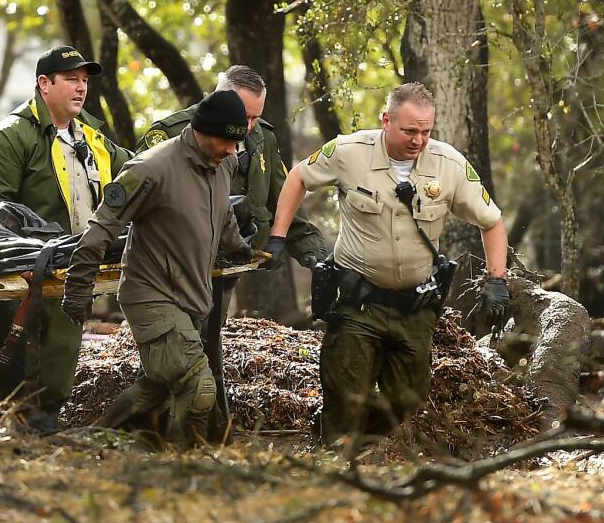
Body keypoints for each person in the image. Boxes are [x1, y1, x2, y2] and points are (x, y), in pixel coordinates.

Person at [268, 82, 511, 448]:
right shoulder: (350, 151)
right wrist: (278, 236)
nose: (418, 140)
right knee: (345, 397)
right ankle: (333, 463)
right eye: (409, 130)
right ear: (386, 120)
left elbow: (491, 221)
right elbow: (298, 177)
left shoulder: (449, 165)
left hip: (414, 308)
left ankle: (363, 449)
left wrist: (497, 280)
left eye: (426, 131)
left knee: (406, 401)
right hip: (357, 302)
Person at [62, 90, 254, 448]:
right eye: (227, 141)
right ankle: (183, 470)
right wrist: (78, 289)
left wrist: (241, 249)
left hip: (192, 295)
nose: (233, 150)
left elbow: (223, 213)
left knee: (157, 385)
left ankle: (100, 440)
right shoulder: (151, 168)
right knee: (199, 386)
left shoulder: (224, 161)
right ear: (202, 131)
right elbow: (99, 230)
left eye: (237, 142)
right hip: (151, 294)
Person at [0, 45, 132, 433]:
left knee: (58, 370)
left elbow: (138, 175)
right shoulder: (8, 138)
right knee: (14, 376)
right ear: (44, 84)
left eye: (84, 81)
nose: (80, 89)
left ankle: (43, 442)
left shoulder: (93, 137)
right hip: (20, 279)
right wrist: (21, 269)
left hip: (72, 274)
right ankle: (7, 445)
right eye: (70, 80)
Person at [138, 65, 329, 269]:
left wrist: (315, 256)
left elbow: (284, 200)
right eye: (244, 115)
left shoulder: (263, 137)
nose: (248, 126)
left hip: (233, 264)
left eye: (255, 118)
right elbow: (139, 197)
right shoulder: (172, 133)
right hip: (174, 263)